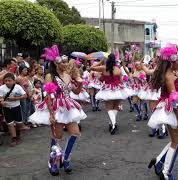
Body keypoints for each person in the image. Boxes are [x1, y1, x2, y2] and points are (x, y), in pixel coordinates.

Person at [28, 45, 87, 176]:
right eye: (64, 62)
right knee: (57, 137)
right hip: (56, 107)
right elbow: (48, 95)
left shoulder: (68, 74)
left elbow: (76, 91)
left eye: (67, 62)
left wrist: (80, 83)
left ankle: (65, 158)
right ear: (56, 63)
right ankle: (53, 161)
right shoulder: (50, 76)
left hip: (68, 106)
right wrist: (51, 114)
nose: (67, 64)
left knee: (75, 133)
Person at [148, 44, 178, 180]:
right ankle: (165, 172)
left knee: (176, 140)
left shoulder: (169, 74)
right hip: (172, 110)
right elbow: (174, 100)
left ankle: (158, 161)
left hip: (168, 108)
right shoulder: (169, 76)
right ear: (171, 61)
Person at [92, 54, 129, 134]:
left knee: (109, 108)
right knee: (115, 107)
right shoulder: (118, 69)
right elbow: (121, 81)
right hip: (118, 90)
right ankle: (112, 123)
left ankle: (113, 124)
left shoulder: (104, 68)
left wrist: (101, 61)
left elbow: (91, 68)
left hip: (108, 90)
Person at [0, 73, 27, 147]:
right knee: (10, 123)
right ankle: (14, 138)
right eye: (5, 81)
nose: (7, 82)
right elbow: (1, 97)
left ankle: (18, 133)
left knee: (18, 123)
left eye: (9, 80)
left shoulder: (18, 87)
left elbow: (25, 95)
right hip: (7, 109)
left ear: (14, 81)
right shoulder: (2, 88)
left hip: (16, 107)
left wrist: (15, 98)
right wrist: (2, 102)